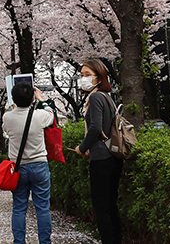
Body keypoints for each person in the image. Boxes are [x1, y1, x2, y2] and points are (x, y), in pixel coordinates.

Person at [72, 59, 122, 244]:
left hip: (101, 158)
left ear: (99, 78)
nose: (83, 79)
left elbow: (95, 128)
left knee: (101, 207)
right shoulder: (107, 97)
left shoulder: (95, 97)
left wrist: (82, 147)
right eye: (81, 75)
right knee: (111, 205)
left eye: (87, 75)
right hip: (113, 156)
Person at [3, 82, 55, 244]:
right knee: (42, 209)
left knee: (19, 208)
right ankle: (44, 242)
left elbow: (7, 128)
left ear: (13, 99)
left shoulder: (7, 117)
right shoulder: (40, 115)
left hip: (18, 168)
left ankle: (19, 241)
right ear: (32, 99)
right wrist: (41, 99)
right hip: (39, 164)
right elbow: (51, 114)